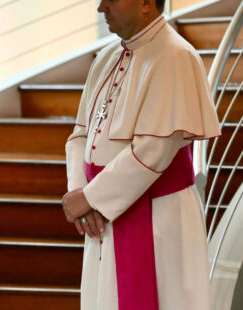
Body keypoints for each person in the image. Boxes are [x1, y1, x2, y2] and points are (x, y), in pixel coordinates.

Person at [62, 0, 220, 309]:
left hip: (158, 218)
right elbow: (79, 136)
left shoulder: (176, 56)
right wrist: (79, 193)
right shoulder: (107, 56)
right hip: (102, 218)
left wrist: (91, 198)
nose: (100, 7)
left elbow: (153, 150)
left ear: (146, 2)